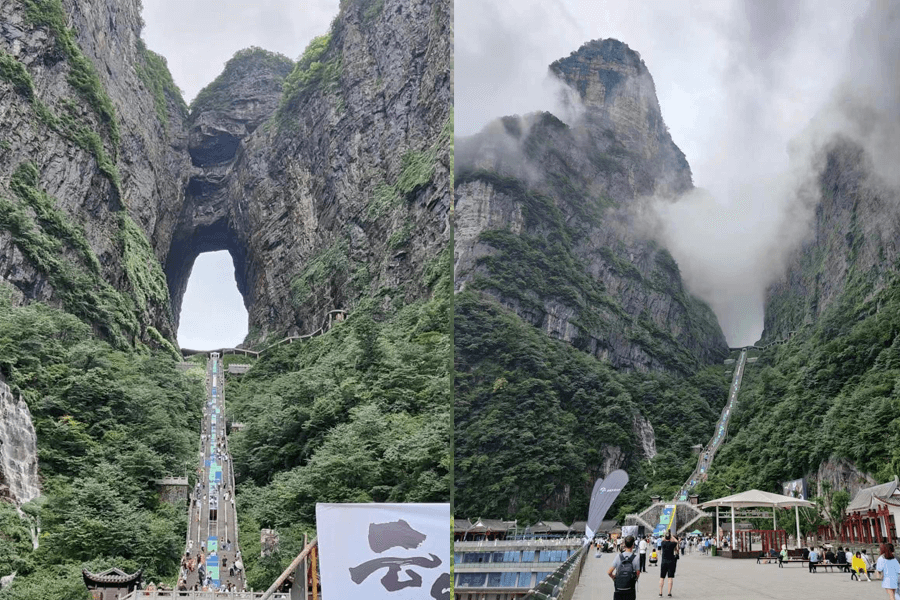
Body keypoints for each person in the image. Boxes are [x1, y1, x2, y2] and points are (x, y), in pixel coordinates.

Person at [607, 535, 640, 600]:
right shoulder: (636, 558)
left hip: (619, 589)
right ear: (633, 545)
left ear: (624, 544)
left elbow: (609, 572)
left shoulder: (618, 556)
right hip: (630, 589)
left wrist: (615, 578)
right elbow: (637, 574)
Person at [659, 532, 679, 597]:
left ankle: (660, 592)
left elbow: (662, 539)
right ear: (670, 538)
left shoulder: (662, 543)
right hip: (671, 562)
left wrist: (666, 536)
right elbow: (677, 541)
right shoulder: (673, 544)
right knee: (670, 578)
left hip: (664, 562)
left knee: (662, 578)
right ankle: (669, 593)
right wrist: (672, 537)